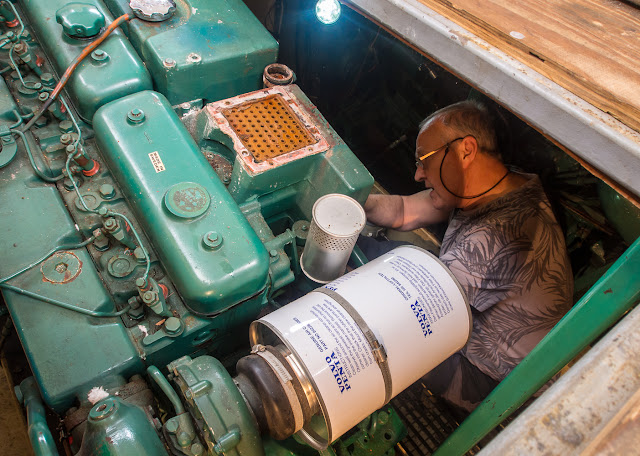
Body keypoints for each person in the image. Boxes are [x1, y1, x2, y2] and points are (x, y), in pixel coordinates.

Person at [363, 100, 573, 412]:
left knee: (373, 332)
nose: (418, 174)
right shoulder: (497, 183)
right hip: (467, 322)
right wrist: (352, 201)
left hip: (485, 380)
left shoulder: (498, 239)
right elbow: (404, 210)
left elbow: (408, 312)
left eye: (424, 160)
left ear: (465, 150)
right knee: (382, 257)